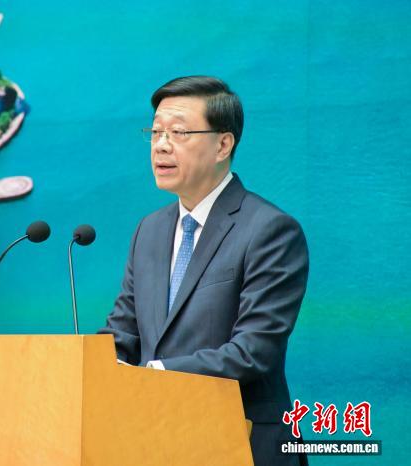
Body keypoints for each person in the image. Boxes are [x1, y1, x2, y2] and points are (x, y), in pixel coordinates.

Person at [99, 76, 309, 466]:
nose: (161, 145)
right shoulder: (149, 231)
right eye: (155, 132)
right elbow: (123, 332)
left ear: (223, 145)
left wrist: (154, 373)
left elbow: (254, 351)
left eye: (178, 132)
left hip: (241, 445)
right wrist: (88, 366)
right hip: (157, 444)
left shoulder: (269, 230)